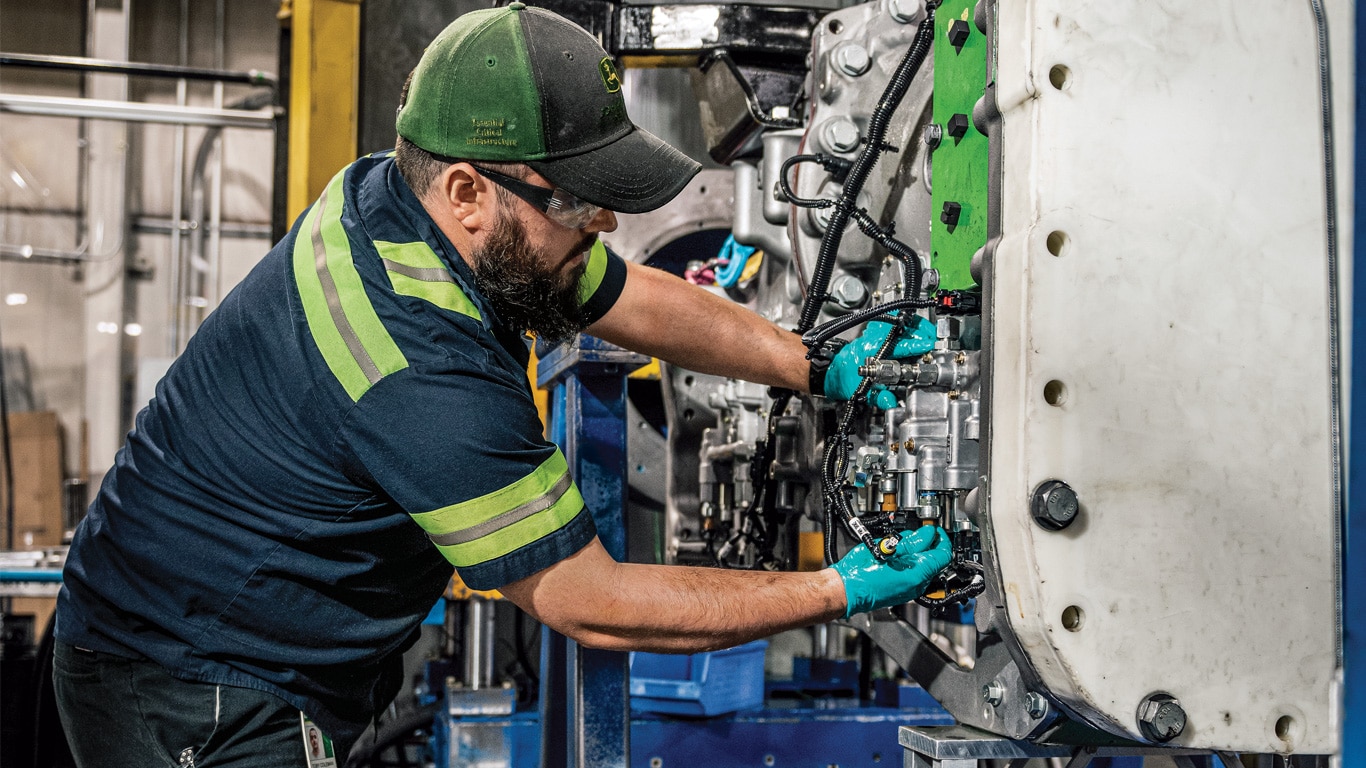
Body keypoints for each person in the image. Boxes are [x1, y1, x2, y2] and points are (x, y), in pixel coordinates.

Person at [51, 5, 950, 766]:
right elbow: (591, 603)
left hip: (208, 640)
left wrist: (808, 359)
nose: (601, 219)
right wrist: (842, 589)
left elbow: (626, 293)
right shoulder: (414, 360)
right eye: (575, 199)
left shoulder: (410, 204)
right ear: (468, 189)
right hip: (190, 687)